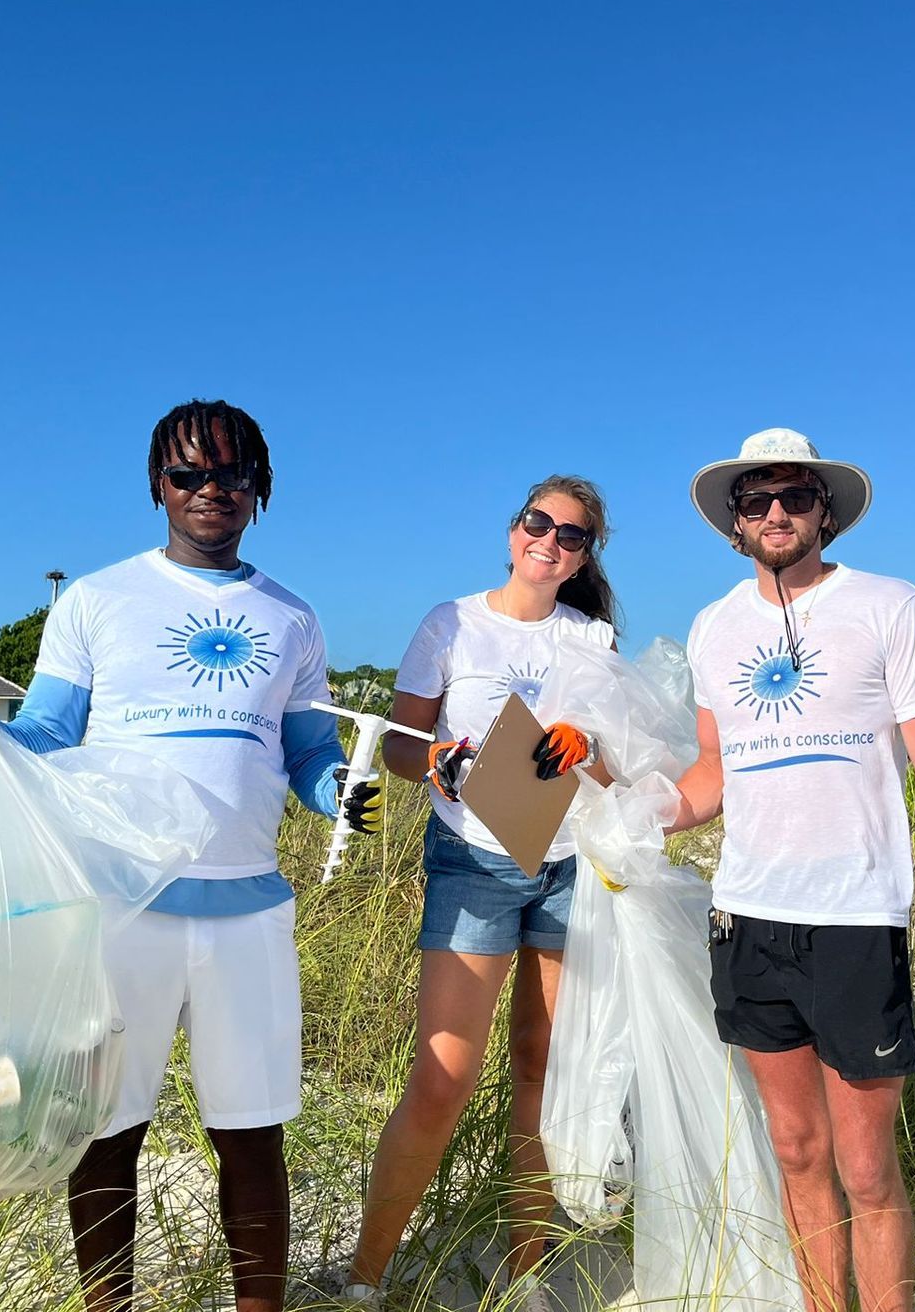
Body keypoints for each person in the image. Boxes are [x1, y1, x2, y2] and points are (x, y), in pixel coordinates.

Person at [0, 399, 380, 1312]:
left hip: (248, 911)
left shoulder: (294, 617)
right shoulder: (95, 600)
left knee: (252, 1138)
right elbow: (50, 729)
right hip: (118, 906)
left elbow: (307, 751)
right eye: (189, 474)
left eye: (234, 474)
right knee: (107, 1136)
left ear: (262, 489)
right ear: (155, 486)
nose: (212, 490)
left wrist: (339, 793)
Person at [666, 428, 915, 1312]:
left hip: (858, 918)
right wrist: (616, 800)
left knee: (866, 1168)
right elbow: (711, 776)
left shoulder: (887, 605)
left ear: (826, 511)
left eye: (794, 497)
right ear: (733, 524)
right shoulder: (713, 627)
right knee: (797, 1151)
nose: (776, 513)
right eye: (756, 501)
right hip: (746, 917)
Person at [341, 476, 620, 1311]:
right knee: (443, 1077)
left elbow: (618, 770)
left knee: (542, 1070)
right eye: (540, 523)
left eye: (571, 536)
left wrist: (588, 746)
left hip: (570, 862)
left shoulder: (593, 640)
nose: (551, 541)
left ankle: (527, 1271)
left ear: (583, 557)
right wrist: (432, 758)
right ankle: (365, 1275)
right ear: (513, 531)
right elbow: (397, 746)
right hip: (473, 860)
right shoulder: (450, 622)